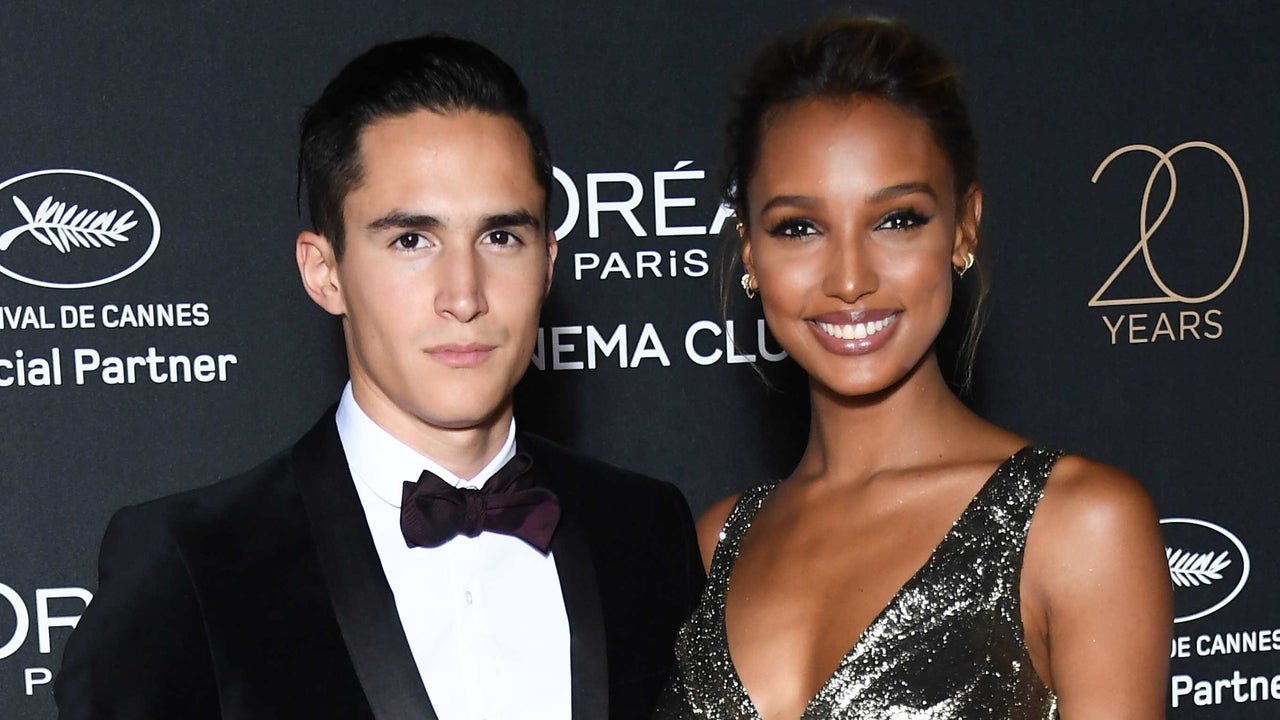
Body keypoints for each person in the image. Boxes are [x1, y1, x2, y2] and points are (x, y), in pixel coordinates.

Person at [56, 35, 703, 720]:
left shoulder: (644, 529)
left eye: (500, 237)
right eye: (411, 240)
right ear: (324, 271)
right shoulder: (188, 564)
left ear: (547, 263)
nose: (464, 295)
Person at [656, 17, 1171, 720]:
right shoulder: (717, 544)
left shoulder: (1077, 526)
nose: (848, 278)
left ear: (963, 227)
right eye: (798, 227)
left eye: (897, 219)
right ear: (749, 250)